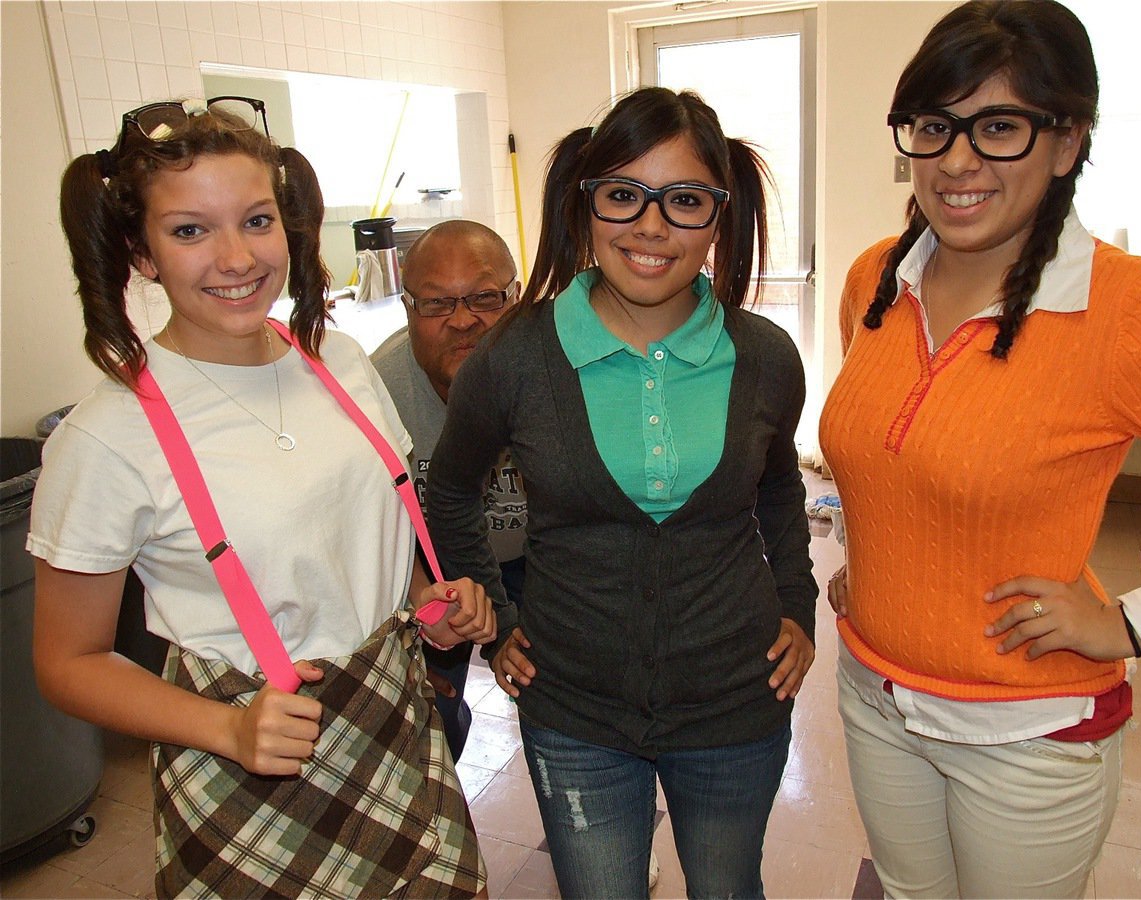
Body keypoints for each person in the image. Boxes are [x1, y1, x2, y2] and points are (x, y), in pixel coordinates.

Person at [31, 97, 494, 898]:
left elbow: (367, 543)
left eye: (255, 220)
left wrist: (431, 602)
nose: (235, 257)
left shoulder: (340, 363)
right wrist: (225, 726)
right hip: (241, 768)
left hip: (396, 726)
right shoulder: (107, 437)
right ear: (141, 253)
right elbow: (66, 662)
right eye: (189, 230)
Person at [819, 3, 1141, 897]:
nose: (955, 162)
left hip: (1026, 730)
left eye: (1000, 128)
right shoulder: (876, 277)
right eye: (933, 126)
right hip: (874, 695)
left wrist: (1138, 622)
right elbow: (896, 458)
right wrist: (872, 562)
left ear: (1067, 142)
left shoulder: (1128, 312)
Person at [425, 86, 820, 899]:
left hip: (736, 700)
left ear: (719, 217)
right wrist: (497, 621)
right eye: (623, 195)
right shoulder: (515, 356)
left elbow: (780, 489)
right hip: (574, 710)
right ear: (586, 205)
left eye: (683, 201)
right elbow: (453, 493)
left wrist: (796, 605)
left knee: (726, 888)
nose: (650, 226)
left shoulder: (766, 356)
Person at [372, 219, 528, 762]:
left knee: (565, 701)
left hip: (537, 557)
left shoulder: (558, 371)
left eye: (484, 297)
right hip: (428, 570)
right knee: (425, 721)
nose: (464, 321)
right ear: (409, 310)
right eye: (438, 304)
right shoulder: (374, 393)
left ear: (516, 297)